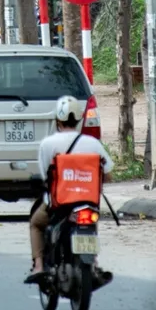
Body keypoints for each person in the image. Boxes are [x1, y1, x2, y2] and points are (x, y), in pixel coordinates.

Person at [26, 95, 114, 283]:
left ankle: (39, 265)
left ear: (58, 120)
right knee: (90, 223)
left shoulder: (48, 144)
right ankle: (94, 263)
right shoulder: (93, 143)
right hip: (88, 203)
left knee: (36, 223)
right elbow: (107, 174)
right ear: (79, 119)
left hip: (58, 205)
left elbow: (44, 177)